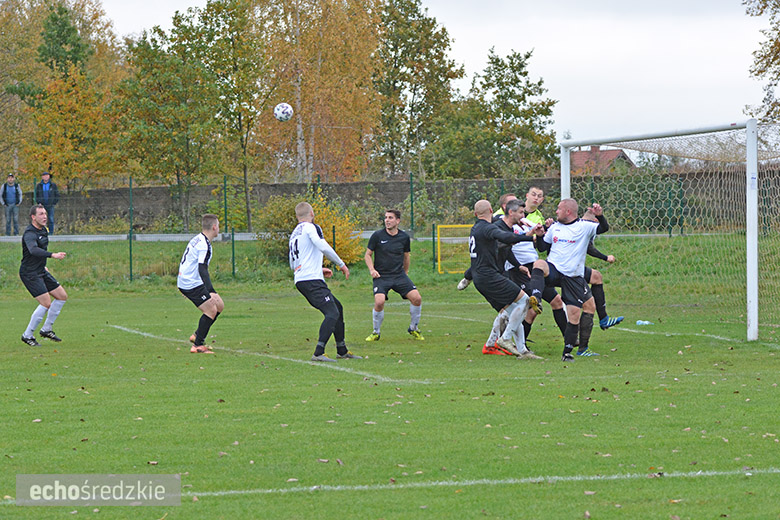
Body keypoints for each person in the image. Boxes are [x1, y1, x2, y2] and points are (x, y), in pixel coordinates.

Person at [526, 199, 609, 361]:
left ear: (568, 212)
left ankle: (567, 353)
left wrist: (601, 216)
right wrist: (541, 235)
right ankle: (536, 298)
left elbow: (603, 228)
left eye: (559, 209)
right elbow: (542, 248)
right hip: (555, 271)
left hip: (572, 277)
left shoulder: (584, 226)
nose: (556, 212)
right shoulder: (555, 227)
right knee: (539, 263)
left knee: (574, 315)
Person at [469, 199, 542, 359]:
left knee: (513, 310)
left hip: (480, 277)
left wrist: (467, 278)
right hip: (489, 276)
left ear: (475, 214)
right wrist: (532, 238)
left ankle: (522, 350)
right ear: (490, 210)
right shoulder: (488, 228)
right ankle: (505, 339)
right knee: (524, 301)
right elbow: (506, 238)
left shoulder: (476, 228)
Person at [290, 202, 361, 362]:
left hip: (302, 278)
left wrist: (319, 268)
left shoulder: (294, 233)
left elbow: (294, 261)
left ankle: (341, 350)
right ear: (312, 213)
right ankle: (318, 352)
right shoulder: (311, 227)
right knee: (332, 313)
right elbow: (321, 245)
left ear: (297, 216)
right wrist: (340, 263)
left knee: (338, 308)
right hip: (310, 279)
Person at [364, 209, 424, 342]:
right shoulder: (377, 236)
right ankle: (376, 332)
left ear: (398, 221)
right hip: (381, 276)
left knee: (417, 298)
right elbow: (367, 255)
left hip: (399, 276)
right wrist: (372, 270)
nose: (387, 220)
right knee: (379, 302)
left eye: (390, 218)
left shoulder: (403, 237)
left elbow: (406, 256)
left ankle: (413, 328)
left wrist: (405, 273)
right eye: (385, 217)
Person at [19, 204, 68, 346]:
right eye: (41, 214)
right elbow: (33, 250)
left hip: (40, 270)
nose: (44, 216)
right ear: (33, 217)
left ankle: (46, 329)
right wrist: (53, 255)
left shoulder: (44, 230)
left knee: (61, 296)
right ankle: (27, 335)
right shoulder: (29, 233)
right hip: (29, 273)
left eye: (45, 213)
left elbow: (40, 251)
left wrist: (43, 265)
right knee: (46, 303)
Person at [177, 214, 225, 354]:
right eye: (218, 226)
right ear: (214, 227)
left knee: (219, 305)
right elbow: (202, 268)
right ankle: (197, 345)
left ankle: (197, 335)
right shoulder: (203, 245)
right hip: (190, 282)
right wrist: (210, 290)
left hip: (189, 281)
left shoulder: (198, 239)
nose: (219, 229)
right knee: (211, 310)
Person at [457, 193, 518, 290]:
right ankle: (468, 277)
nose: (516, 205)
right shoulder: (497, 217)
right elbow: (497, 221)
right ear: (505, 206)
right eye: (513, 203)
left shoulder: (520, 216)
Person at [581, 208, 623, 330]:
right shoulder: (587, 227)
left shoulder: (580, 224)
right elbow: (589, 248)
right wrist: (605, 258)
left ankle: (604, 319)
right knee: (584, 306)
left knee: (596, 277)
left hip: (571, 267)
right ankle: (577, 343)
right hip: (566, 269)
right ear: (595, 220)